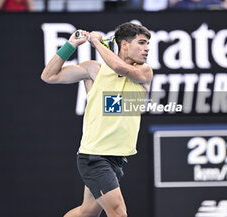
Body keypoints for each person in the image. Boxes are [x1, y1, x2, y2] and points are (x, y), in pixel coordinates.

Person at [41, 22, 153, 217]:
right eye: (142, 43)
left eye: (148, 44)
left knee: (86, 213)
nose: (147, 48)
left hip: (116, 159)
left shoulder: (144, 72)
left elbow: (119, 66)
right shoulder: (94, 70)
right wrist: (71, 44)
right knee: (118, 213)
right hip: (95, 157)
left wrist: (96, 43)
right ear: (124, 45)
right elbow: (49, 76)